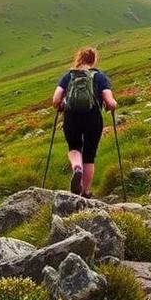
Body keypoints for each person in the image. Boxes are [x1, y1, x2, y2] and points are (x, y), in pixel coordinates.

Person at [52, 46, 118, 197]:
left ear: (79, 59)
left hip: (71, 116)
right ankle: (85, 192)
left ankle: (76, 167)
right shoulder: (100, 77)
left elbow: (56, 100)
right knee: (89, 155)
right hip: (93, 117)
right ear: (94, 60)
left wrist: (62, 105)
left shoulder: (69, 76)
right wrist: (113, 105)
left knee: (74, 147)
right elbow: (110, 102)